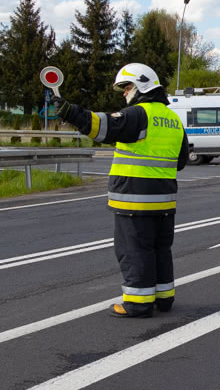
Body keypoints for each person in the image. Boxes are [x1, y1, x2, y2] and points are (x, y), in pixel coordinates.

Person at [54, 63, 189, 318]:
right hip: (164, 203)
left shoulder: (138, 114)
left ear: (141, 85)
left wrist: (69, 112)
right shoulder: (173, 120)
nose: (124, 92)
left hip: (134, 202)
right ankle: (164, 297)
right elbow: (181, 161)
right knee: (160, 249)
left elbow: (104, 127)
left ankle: (138, 304)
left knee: (134, 251)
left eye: (126, 87)